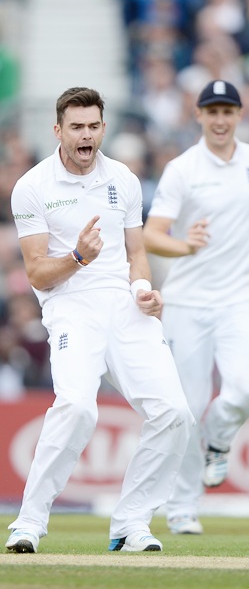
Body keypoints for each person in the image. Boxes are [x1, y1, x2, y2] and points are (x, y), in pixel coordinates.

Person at [6, 87, 194, 554]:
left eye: (93, 126)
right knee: (77, 407)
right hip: (70, 304)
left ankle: (131, 523)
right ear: (58, 131)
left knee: (173, 411)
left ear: (103, 129)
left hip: (124, 305)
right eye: (76, 127)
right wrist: (77, 257)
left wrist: (144, 292)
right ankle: (28, 523)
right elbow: (37, 272)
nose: (86, 135)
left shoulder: (124, 179)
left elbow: (136, 254)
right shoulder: (33, 186)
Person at [143, 79, 249, 535]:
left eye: (228, 111)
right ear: (199, 116)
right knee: (186, 405)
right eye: (212, 112)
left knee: (248, 390)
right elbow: (151, 234)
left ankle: (220, 435)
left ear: (240, 115)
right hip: (187, 301)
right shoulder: (182, 169)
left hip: (240, 298)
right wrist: (184, 246)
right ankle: (182, 507)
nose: (221, 120)